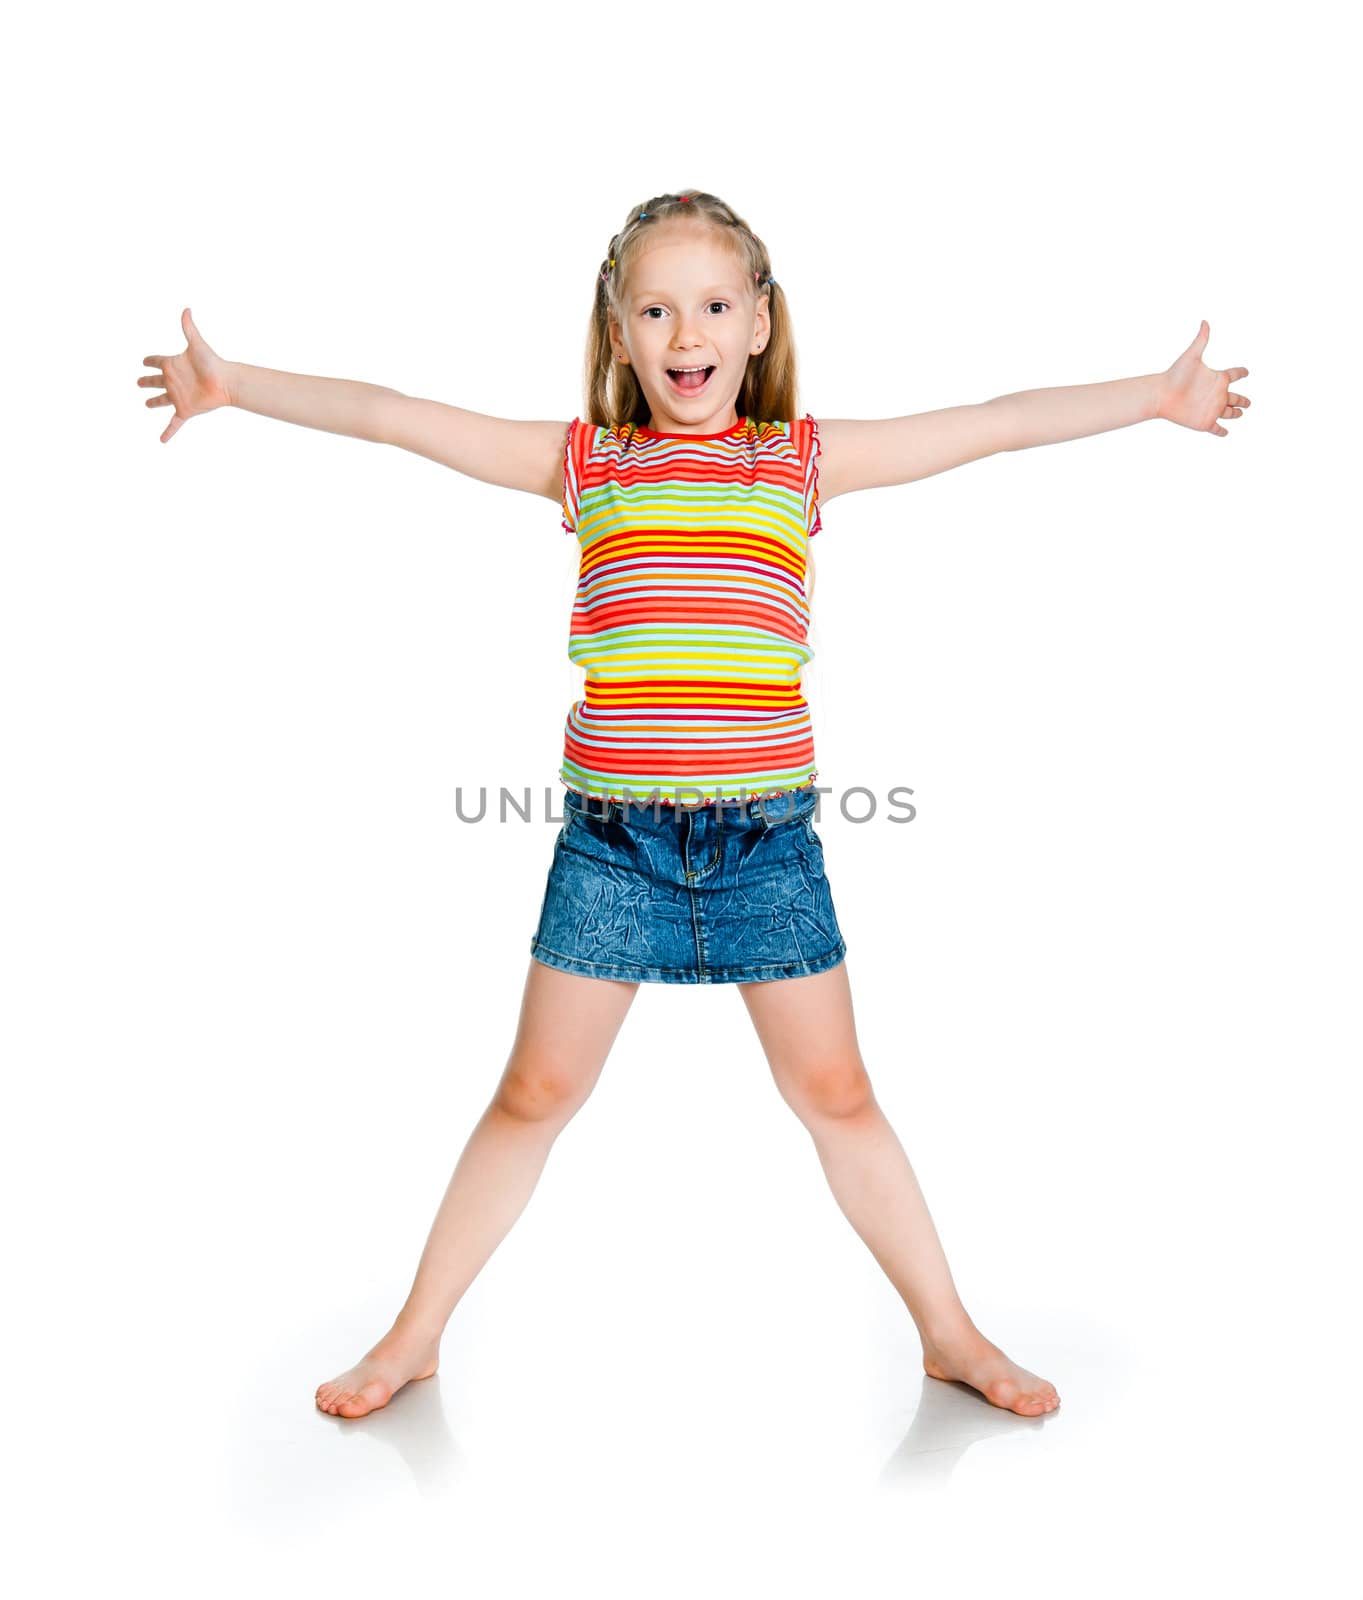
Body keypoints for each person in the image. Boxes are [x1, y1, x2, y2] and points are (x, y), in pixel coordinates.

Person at [138, 189, 1249, 1423]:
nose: (686, 332)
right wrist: (236, 384)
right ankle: (413, 1336)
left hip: (764, 849)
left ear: (759, 323)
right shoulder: (585, 463)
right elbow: (399, 418)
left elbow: (987, 426)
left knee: (837, 1095)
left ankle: (949, 1332)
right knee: (532, 1094)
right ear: (617, 331)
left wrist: (1150, 398)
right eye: (656, 308)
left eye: (714, 305)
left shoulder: (798, 461)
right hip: (612, 851)